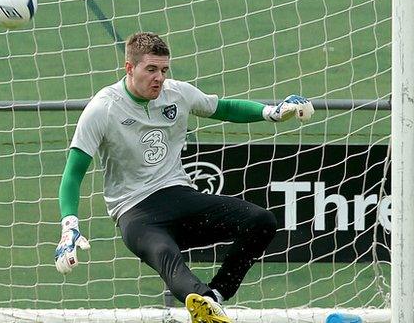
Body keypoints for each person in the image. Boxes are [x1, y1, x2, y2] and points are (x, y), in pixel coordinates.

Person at [54, 31, 314, 323]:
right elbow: (73, 172)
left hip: (179, 198)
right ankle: (203, 304)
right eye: (150, 69)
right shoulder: (103, 108)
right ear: (129, 68)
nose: (159, 77)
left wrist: (271, 112)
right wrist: (69, 225)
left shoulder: (177, 93)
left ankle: (214, 298)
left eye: (164, 69)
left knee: (261, 221)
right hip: (134, 212)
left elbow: (223, 107)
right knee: (167, 255)